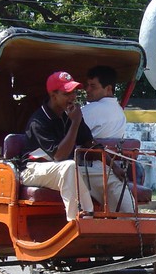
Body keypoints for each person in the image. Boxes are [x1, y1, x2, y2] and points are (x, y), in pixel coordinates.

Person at [21, 71, 98, 221]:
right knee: (69, 166)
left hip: (62, 170)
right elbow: (59, 156)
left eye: (74, 92)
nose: (73, 97)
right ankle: (79, 220)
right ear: (53, 95)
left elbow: (89, 142)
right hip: (33, 169)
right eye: (67, 93)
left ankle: (131, 222)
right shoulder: (38, 121)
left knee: (105, 174)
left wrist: (112, 165)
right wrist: (75, 122)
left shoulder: (69, 114)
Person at [80, 65, 135, 213]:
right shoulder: (120, 112)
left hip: (91, 167)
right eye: (88, 85)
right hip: (110, 167)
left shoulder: (90, 110)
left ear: (108, 89)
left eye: (93, 86)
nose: (88, 90)